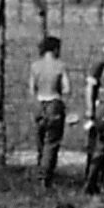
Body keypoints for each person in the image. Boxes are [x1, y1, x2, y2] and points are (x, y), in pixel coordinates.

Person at [30, 34, 69, 188]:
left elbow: (32, 88)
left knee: (40, 140)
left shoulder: (35, 66)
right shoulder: (60, 66)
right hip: (54, 102)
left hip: (39, 103)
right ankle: (45, 176)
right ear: (55, 49)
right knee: (52, 142)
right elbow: (66, 88)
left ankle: (40, 168)